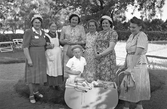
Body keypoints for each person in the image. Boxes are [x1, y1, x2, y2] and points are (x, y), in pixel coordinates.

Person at [119, 17, 151, 109]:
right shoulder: (131, 36)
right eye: (130, 27)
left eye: (134, 27)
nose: (131, 29)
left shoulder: (142, 35)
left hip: (138, 64)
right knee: (128, 85)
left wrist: (131, 68)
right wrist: (125, 65)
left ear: (140, 27)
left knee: (134, 85)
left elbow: (138, 53)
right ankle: (129, 106)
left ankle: (138, 106)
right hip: (130, 62)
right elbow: (128, 52)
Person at [23, 14, 47, 103]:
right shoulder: (29, 32)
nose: (37, 24)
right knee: (31, 76)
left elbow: (43, 45)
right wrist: (29, 59)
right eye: (35, 22)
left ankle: (36, 91)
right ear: (32, 23)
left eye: (39, 22)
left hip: (42, 57)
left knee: (39, 75)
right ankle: (31, 95)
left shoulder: (43, 32)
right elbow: (25, 47)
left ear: (41, 23)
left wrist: (48, 46)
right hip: (32, 56)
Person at [60, 13, 86, 80]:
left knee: (77, 65)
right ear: (70, 20)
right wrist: (66, 41)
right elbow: (61, 40)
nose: (74, 21)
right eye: (73, 19)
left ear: (78, 21)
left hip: (77, 49)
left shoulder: (81, 28)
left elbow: (84, 41)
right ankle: (67, 84)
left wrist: (75, 42)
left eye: (76, 20)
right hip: (67, 49)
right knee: (67, 65)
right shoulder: (64, 28)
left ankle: (78, 82)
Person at [95, 15, 118, 82]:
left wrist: (101, 55)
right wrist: (96, 53)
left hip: (108, 57)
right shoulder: (99, 33)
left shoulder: (113, 33)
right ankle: (99, 91)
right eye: (103, 23)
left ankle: (108, 91)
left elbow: (111, 48)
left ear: (110, 24)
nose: (104, 25)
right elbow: (95, 45)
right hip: (99, 57)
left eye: (106, 23)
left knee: (107, 76)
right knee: (99, 75)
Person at [45, 21, 63, 90]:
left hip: (58, 56)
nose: (54, 28)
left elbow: (61, 43)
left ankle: (57, 84)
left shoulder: (58, 34)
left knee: (58, 69)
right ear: (49, 27)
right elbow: (45, 45)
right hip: (51, 54)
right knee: (51, 69)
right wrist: (49, 46)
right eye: (52, 26)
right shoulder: (46, 36)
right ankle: (50, 84)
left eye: (55, 26)